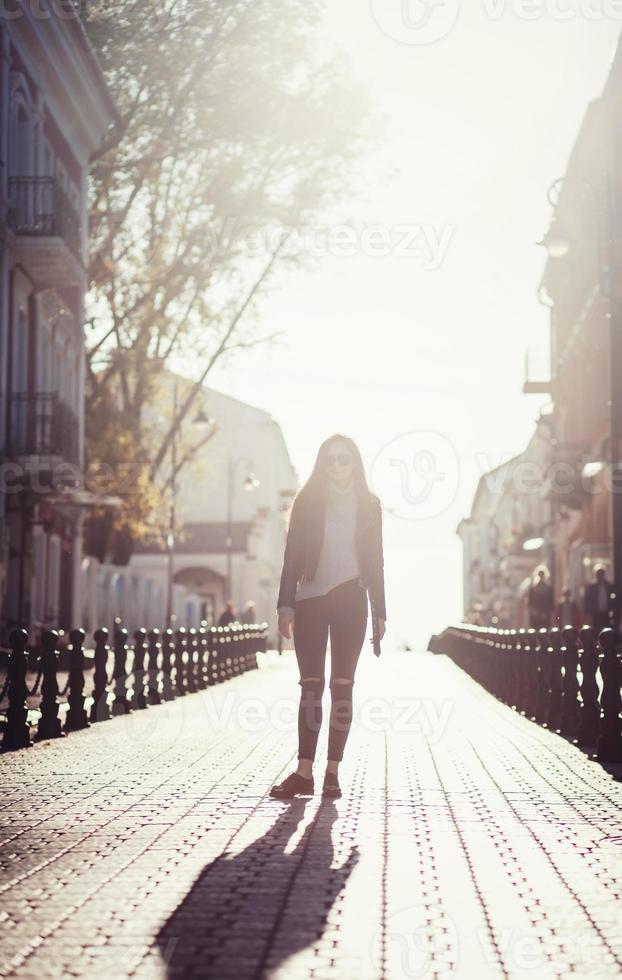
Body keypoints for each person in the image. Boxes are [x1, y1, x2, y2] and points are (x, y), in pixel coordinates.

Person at [270, 434, 386, 801]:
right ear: (322, 463)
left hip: (353, 599)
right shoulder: (307, 501)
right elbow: (291, 556)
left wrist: (380, 612)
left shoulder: (370, 505)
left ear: (355, 463)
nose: (337, 465)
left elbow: (377, 561)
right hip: (310, 601)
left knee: (343, 687)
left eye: (344, 459)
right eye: (331, 459)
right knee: (310, 686)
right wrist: (285, 604)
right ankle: (304, 773)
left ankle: (332, 772)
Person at [583, 565, 616, 634]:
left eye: (601, 574)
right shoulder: (591, 586)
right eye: (598, 574)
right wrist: (587, 612)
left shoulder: (609, 586)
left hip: (606, 612)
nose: (600, 575)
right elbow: (587, 600)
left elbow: (613, 599)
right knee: (596, 629)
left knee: (607, 630)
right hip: (595, 613)